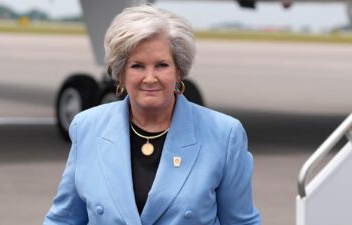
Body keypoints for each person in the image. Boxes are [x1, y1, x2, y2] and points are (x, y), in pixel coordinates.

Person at [43, 4, 261, 225]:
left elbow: (241, 222)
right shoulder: (87, 127)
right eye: (137, 66)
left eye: (162, 65)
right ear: (120, 73)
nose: (149, 78)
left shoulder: (225, 135)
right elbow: (63, 219)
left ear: (179, 71)